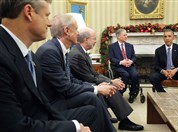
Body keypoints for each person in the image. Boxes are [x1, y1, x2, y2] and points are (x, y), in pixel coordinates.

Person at [0, 1, 104, 132]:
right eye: (46, 15)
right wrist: (74, 127)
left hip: (41, 116)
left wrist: (74, 125)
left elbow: (43, 103)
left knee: (91, 109)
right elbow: (15, 126)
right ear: (28, 12)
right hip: (33, 122)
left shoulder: (29, 55)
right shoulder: (4, 57)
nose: (49, 23)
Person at [35, 14, 117, 132]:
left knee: (92, 97)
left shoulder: (61, 49)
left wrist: (95, 87)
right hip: (52, 104)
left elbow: (71, 80)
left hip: (60, 98)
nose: (79, 33)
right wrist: (97, 89)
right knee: (92, 99)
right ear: (66, 31)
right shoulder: (49, 52)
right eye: (76, 29)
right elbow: (66, 88)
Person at [69, 27, 144, 131]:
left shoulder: (81, 52)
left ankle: (113, 118)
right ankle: (123, 121)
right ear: (86, 39)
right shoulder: (77, 54)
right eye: (94, 38)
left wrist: (111, 81)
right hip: (82, 86)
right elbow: (89, 78)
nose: (96, 41)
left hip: (87, 82)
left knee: (111, 85)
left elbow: (94, 74)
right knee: (111, 88)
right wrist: (111, 82)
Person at [108, 28, 140, 103]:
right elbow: (111, 58)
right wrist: (121, 62)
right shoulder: (112, 47)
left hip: (129, 66)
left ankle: (132, 94)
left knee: (134, 75)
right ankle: (121, 92)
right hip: (118, 66)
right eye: (124, 35)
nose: (126, 36)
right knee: (125, 75)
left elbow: (134, 57)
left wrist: (131, 61)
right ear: (118, 36)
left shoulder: (130, 46)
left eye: (126, 35)